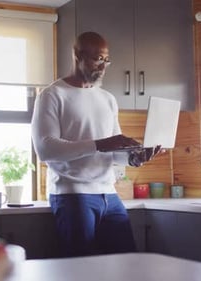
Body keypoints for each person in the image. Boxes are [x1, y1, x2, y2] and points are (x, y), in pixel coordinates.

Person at [31, 31, 163, 257]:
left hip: (109, 194)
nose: (102, 66)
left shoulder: (108, 99)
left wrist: (134, 157)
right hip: (73, 194)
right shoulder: (52, 95)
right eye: (97, 58)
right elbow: (46, 148)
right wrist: (101, 143)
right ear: (77, 55)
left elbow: (114, 151)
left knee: (126, 263)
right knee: (82, 268)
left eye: (106, 59)